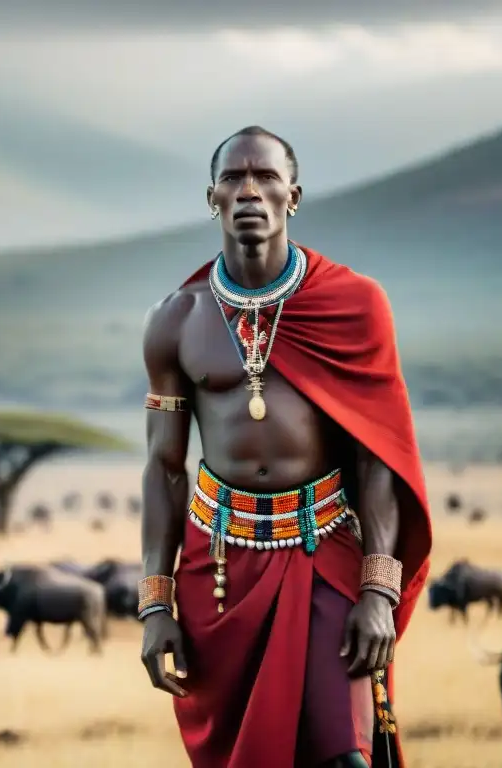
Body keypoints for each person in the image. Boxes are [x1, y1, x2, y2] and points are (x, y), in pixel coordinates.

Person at [137, 126, 432, 768]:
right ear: (210, 197)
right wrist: (155, 603)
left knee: (346, 756)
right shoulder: (176, 320)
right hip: (216, 572)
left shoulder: (354, 305)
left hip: (323, 553)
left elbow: (375, 456)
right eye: (234, 178)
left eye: (266, 177)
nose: (249, 191)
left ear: (292, 196)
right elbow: (163, 469)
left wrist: (379, 591)